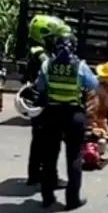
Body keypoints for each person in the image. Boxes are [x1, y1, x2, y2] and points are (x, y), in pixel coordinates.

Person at [35, 34, 98, 210]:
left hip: (52, 113)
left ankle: (47, 197)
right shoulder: (80, 66)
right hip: (73, 114)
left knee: (49, 156)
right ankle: (72, 200)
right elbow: (93, 84)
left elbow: (40, 86)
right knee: (74, 156)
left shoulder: (47, 64)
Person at [24, 15, 69, 188]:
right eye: (52, 37)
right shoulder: (41, 53)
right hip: (43, 99)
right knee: (49, 142)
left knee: (38, 140)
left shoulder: (34, 48)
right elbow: (50, 72)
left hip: (36, 98)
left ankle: (34, 174)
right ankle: (49, 177)